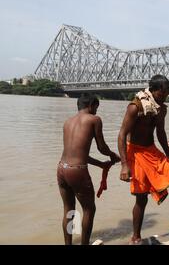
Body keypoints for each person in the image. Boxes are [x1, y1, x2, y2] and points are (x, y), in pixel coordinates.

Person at [117, 75, 169, 244]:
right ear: (152, 90)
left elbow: (160, 133)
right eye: (161, 94)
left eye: (166, 94)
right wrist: (124, 165)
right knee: (141, 197)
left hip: (151, 150)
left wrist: (168, 155)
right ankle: (136, 237)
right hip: (135, 152)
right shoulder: (135, 107)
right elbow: (121, 135)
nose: (163, 97)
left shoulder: (161, 109)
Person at [57, 94, 120, 245]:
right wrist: (114, 156)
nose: (96, 112)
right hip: (77, 171)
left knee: (69, 209)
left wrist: (101, 165)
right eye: (96, 108)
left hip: (61, 168)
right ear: (91, 105)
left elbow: (77, 154)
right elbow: (102, 147)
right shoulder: (94, 120)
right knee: (89, 210)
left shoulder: (67, 122)